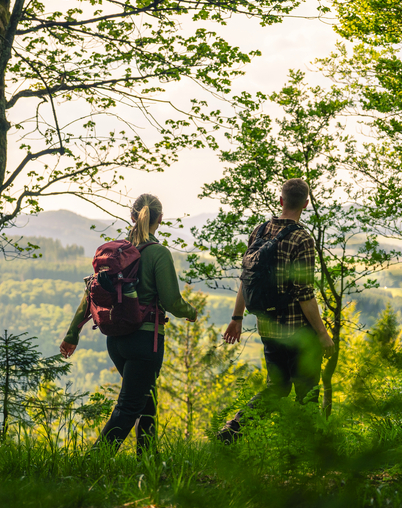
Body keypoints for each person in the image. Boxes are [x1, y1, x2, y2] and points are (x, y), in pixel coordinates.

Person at [60, 194, 197, 455]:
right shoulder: (158, 253)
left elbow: (89, 295)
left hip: (116, 340)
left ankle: (147, 460)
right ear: (159, 219)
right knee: (129, 406)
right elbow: (171, 300)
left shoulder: (114, 254)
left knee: (147, 400)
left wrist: (72, 334)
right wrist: (191, 312)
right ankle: (92, 462)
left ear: (132, 216)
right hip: (145, 341)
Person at [217, 178, 335, 443]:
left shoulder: (259, 231)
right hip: (298, 331)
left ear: (281, 200)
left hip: (268, 327)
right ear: (306, 204)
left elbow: (246, 280)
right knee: (306, 392)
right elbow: (304, 293)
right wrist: (322, 334)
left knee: (277, 388)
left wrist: (237, 318)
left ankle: (233, 429)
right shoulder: (302, 238)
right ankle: (304, 449)